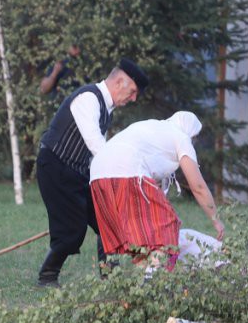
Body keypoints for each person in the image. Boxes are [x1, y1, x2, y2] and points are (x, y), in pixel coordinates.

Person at [35, 58, 149, 287]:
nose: (134, 98)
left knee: (108, 219)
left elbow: (98, 154)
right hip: (55, 167)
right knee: (72, 229)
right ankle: (47, 276)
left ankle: (111, 277)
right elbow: (96, 145)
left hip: (78, 172)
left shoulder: (107, 109)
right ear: (119, 82)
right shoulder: (87, 99)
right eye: (133, 92)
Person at [89, 112, 224, 272]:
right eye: (194, 137)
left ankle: (147, 276)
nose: (193, 141)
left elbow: (155, 191)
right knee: (166, 230)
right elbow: (198, 186)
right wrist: (216, 219)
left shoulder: (154, 129)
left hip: (98, 177)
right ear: (190, 132)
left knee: (146, 235)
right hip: (126, 171)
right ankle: (152, 281)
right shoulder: (180, 136)